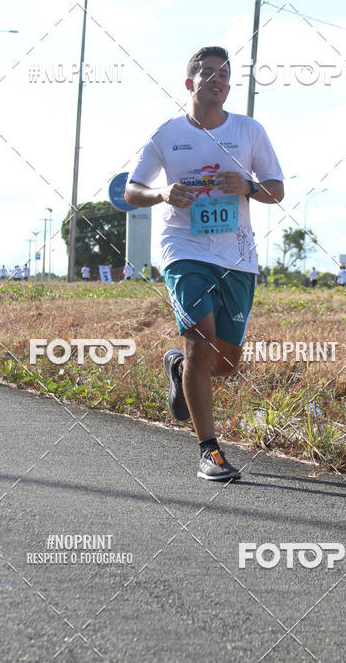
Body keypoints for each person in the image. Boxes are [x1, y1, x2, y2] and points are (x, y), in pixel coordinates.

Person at [126, 46, 284, 481]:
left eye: (224, 75)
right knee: (200, 341)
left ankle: (178, 369)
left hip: (237, 256)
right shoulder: (168, 134)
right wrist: (162, 193)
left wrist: (249, 186)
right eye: (208, 72)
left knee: (226, 364)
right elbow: (131, 190)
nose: (217, 79)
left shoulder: (249, 131)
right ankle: (209, 452)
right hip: (184, 249)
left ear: (229, 86)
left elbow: (277, 190)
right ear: (190, 82)